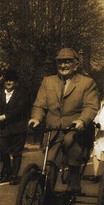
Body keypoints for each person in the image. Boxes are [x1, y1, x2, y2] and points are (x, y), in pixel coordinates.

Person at [28, 48, 99, 194]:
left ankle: (74, 180)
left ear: (76, 64)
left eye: (68, 61)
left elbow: (91, 107)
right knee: (49, 164)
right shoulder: (48, 81)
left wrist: (82, 121)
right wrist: (36, 118)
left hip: (76, 130)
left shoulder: (87, 83)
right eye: (60, 62)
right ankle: (47, 196)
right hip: (53, 130)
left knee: (73, 147)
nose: (63, 65)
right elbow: (39, 105)